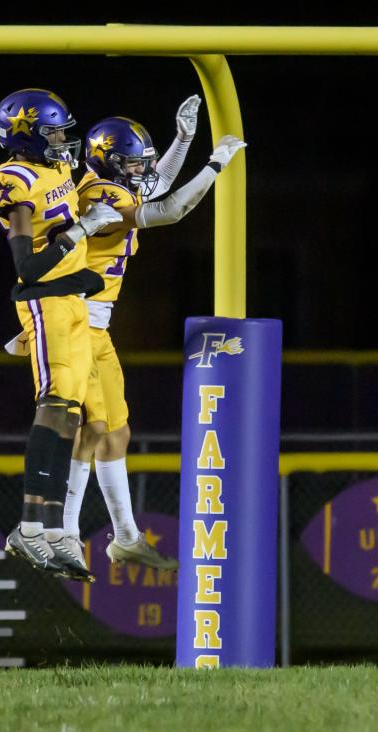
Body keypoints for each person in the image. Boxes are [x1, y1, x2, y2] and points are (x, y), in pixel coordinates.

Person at [59, 105, 247, 575]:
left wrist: (182, 139)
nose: (142, 169)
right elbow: (170, 208)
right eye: (133, 162)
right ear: (108, 162)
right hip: (75, 321)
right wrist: (215, 163)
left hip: (95, 326)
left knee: (115, 431)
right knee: (93, 429)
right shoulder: (98, 193)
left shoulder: (114, 184)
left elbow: (154, 187)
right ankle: (61, 532)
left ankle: (124, 537)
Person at [0, 88, 123, 580]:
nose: (63, 141)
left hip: (75, 301)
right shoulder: (12, 180)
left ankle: (56, 529)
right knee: (55, 406)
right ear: (24, 136)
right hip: (46, 304)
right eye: (53, 132)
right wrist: (81, 230)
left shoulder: (58, 170)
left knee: (73, 415)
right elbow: (27, 267)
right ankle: (27, 527)